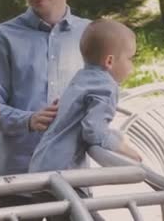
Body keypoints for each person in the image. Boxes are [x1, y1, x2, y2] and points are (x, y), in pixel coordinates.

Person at [0, 0, 90, 209]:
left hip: (72, 176)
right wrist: (28, 120)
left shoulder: (91, 36)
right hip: (18, 178)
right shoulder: (3, 37)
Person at [28, 18, 142, 221]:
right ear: (109, 61)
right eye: (130, 58)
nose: (132, 65)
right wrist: (123, 148)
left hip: (41, 165)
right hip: (62, 173)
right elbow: (92, 130)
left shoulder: (82, 77)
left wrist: (116, 135)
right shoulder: (106, 87)